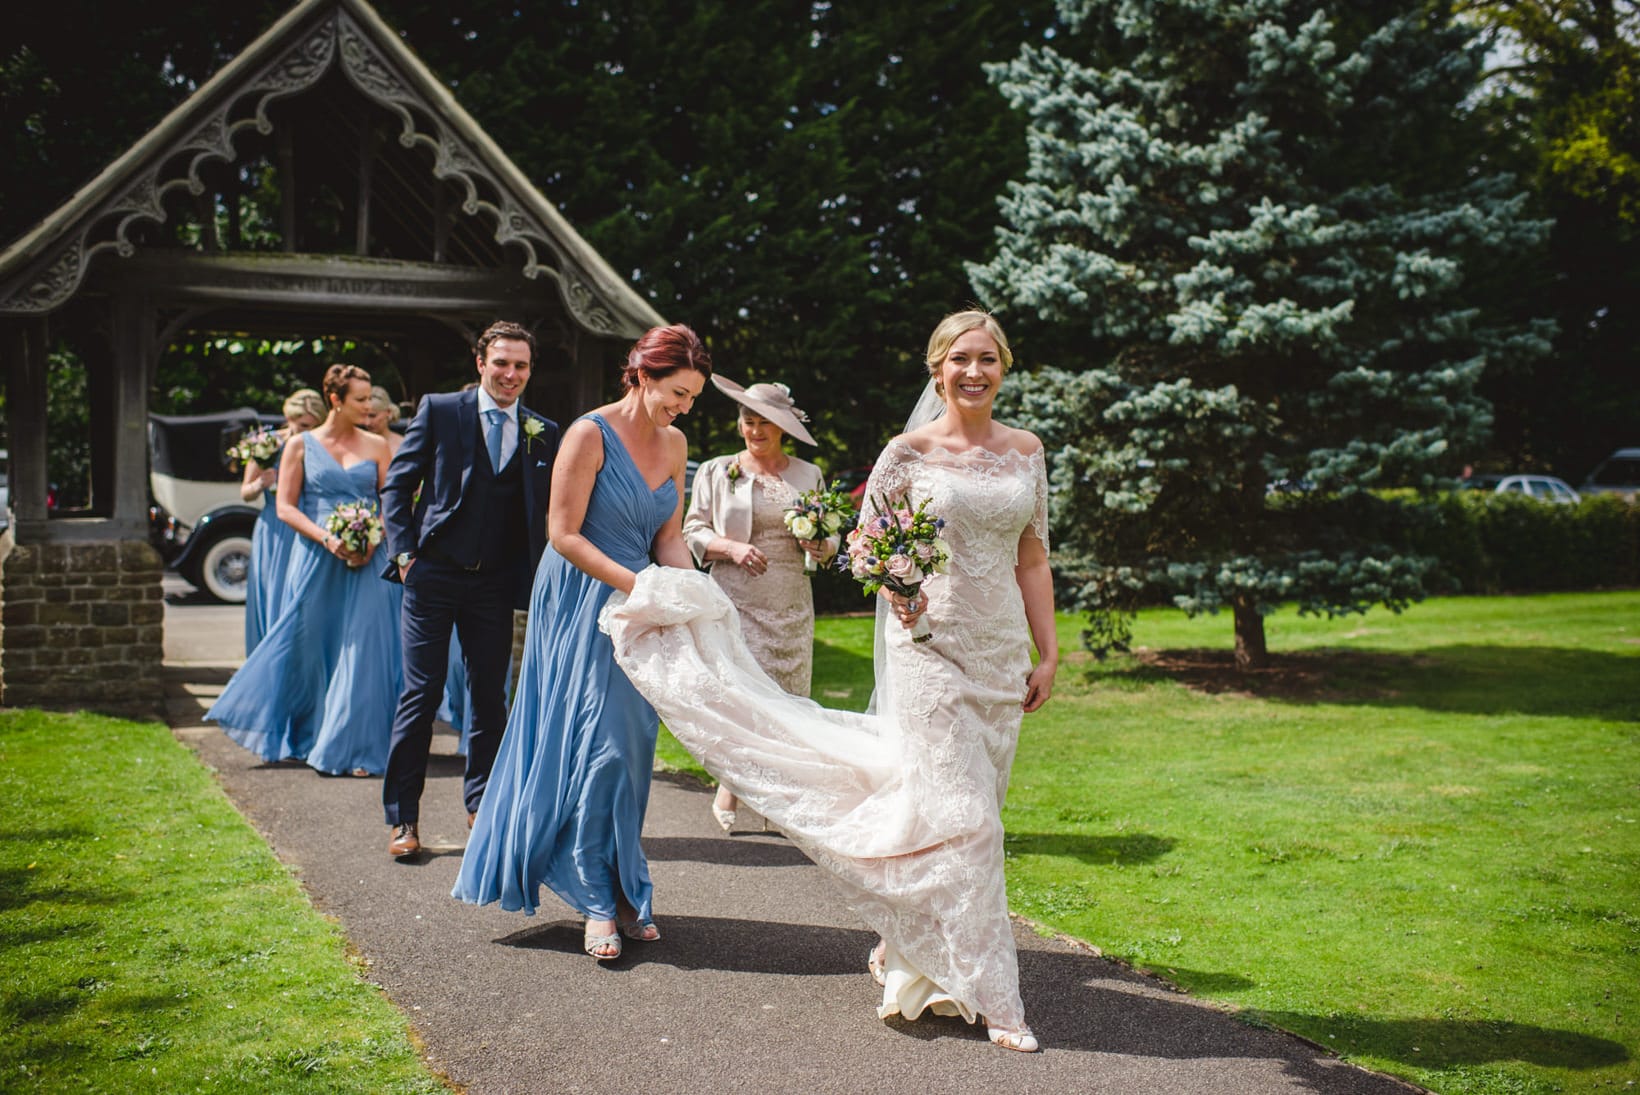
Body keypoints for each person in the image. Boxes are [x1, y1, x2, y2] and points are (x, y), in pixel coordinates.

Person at [599, 309, 1056, 1052]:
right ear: (937, 368)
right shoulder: (905, 452)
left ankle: (907, 947)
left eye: (988, 359)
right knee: (971, 822)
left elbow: (1032, 555)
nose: (974, 372)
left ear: (1004, 366)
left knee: (946, 812)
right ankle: (996, 998)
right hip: (927, 649)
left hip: (1000, 654)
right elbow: (868, 547)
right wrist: (900, 585)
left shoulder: (1027, 451)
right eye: (960, 359)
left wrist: (1048, 651)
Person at [452, 323, 710, 961]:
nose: (683, 409)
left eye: (692, 399)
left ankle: (623, 886)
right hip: (581, 596)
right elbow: (563, 534)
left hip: (638, 601)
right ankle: (596, 897)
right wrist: (640, 586)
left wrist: (697, 591)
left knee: (632, 744)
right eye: (677, 393)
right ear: (643, 375)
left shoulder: (675, 445)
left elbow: (669, 536)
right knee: (598, 737)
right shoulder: (587, 434)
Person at [380, 322, 560, 860]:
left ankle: (482, 806)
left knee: (490, 698)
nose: (511, 375)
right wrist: (405, 555)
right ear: (480, 363)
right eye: (502, 363)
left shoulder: (542, 430)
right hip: (432, 575)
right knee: (422, 696)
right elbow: (398, 483)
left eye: (521, 366)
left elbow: (549, 508)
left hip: (495, 583)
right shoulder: (440, 410)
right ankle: (404, 819)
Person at [207, 364, 403, 778]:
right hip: (316, 556)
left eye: (370, 399)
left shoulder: (378, 446)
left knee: (364, 650)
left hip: (370, 559)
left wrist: (372, 537)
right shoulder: (299, 446)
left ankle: (357, 748)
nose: (369, 407)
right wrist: (329, 539)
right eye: (361, 400)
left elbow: (393, 505)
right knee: (311, 647)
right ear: (335, 399)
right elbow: (285, 507)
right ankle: (307, 734)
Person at [682, 376, 836, 831]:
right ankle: (731, 785)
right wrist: (729, 549)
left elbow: (830, 537)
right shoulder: (717, 470)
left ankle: (774, 795)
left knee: (786, 700)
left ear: (783, 427)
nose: (755, 430)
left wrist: (820, 545)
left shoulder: (808, 475)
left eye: (764, 422)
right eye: (748, 421)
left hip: (789, 599)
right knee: (744, 695)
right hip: (735, 598)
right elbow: (693, 530)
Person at [243, 388, 325, 655]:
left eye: (312, 426)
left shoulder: (318, 445)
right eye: (301, 425)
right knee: (272, 592)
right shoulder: (267, 444)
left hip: (307, 524)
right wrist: (260, 483)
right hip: (274, 529)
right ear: (288, 418)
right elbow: (245, 492)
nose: (305, 431)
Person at [365, 386, 404, 457]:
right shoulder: (358, 443)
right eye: (364, 416)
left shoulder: (402, 445)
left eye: (372, 416)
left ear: (388, 412)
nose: (367, 422)